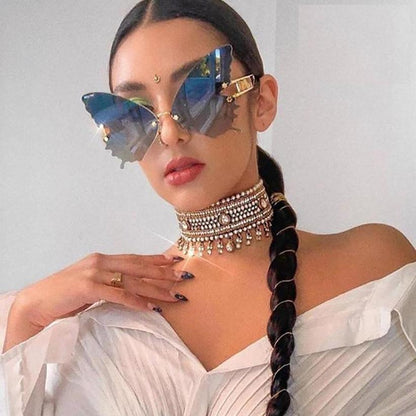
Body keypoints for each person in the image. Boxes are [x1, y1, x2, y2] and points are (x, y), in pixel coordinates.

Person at [1, 0, 415, 415]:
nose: (169, 133)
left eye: (199, 94)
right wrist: (24, 318)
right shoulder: (94, 328)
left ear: (262, 101)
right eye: (133, 115)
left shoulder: (376, 268)